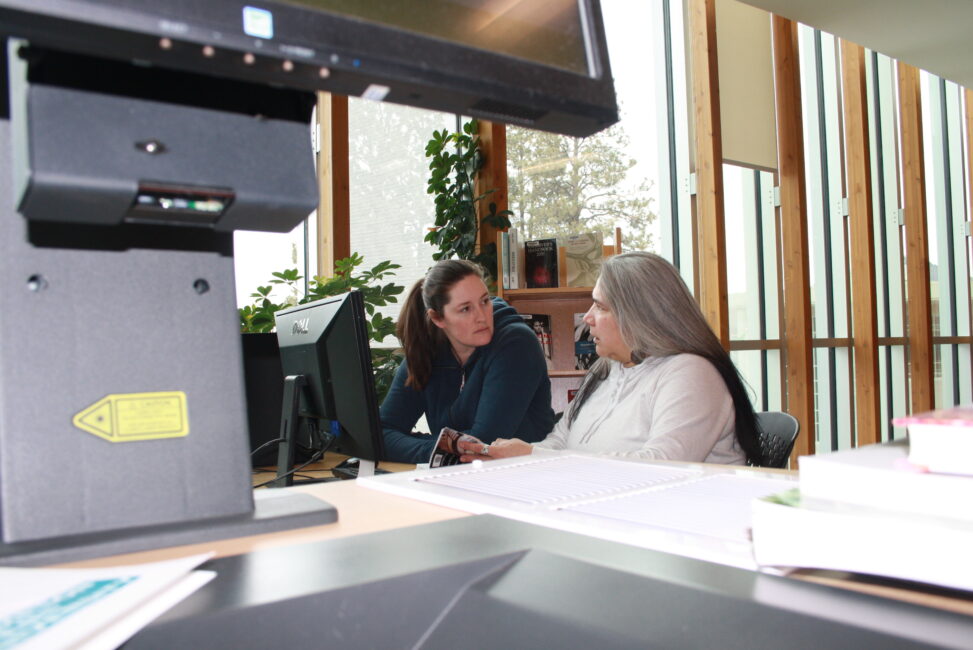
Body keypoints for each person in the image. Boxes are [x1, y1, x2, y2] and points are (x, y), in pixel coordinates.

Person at [457, 251, 763, 466]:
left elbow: (664, 466)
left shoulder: (691, 373)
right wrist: (518, 455)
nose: (588, 318)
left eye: (600, 307)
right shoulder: (604, 371)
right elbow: (559, 442)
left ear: (640, 316)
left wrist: (535, 457)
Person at [380, 259, 555, 463]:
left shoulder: (516, 343)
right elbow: (382, 433)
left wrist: (426, 446)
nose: (482, 316)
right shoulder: (425, 351)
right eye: (465, 309)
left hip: (526, 476)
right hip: (458, 477)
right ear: (437, 318)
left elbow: (482, 445)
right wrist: (439, 448)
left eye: (484, 301)